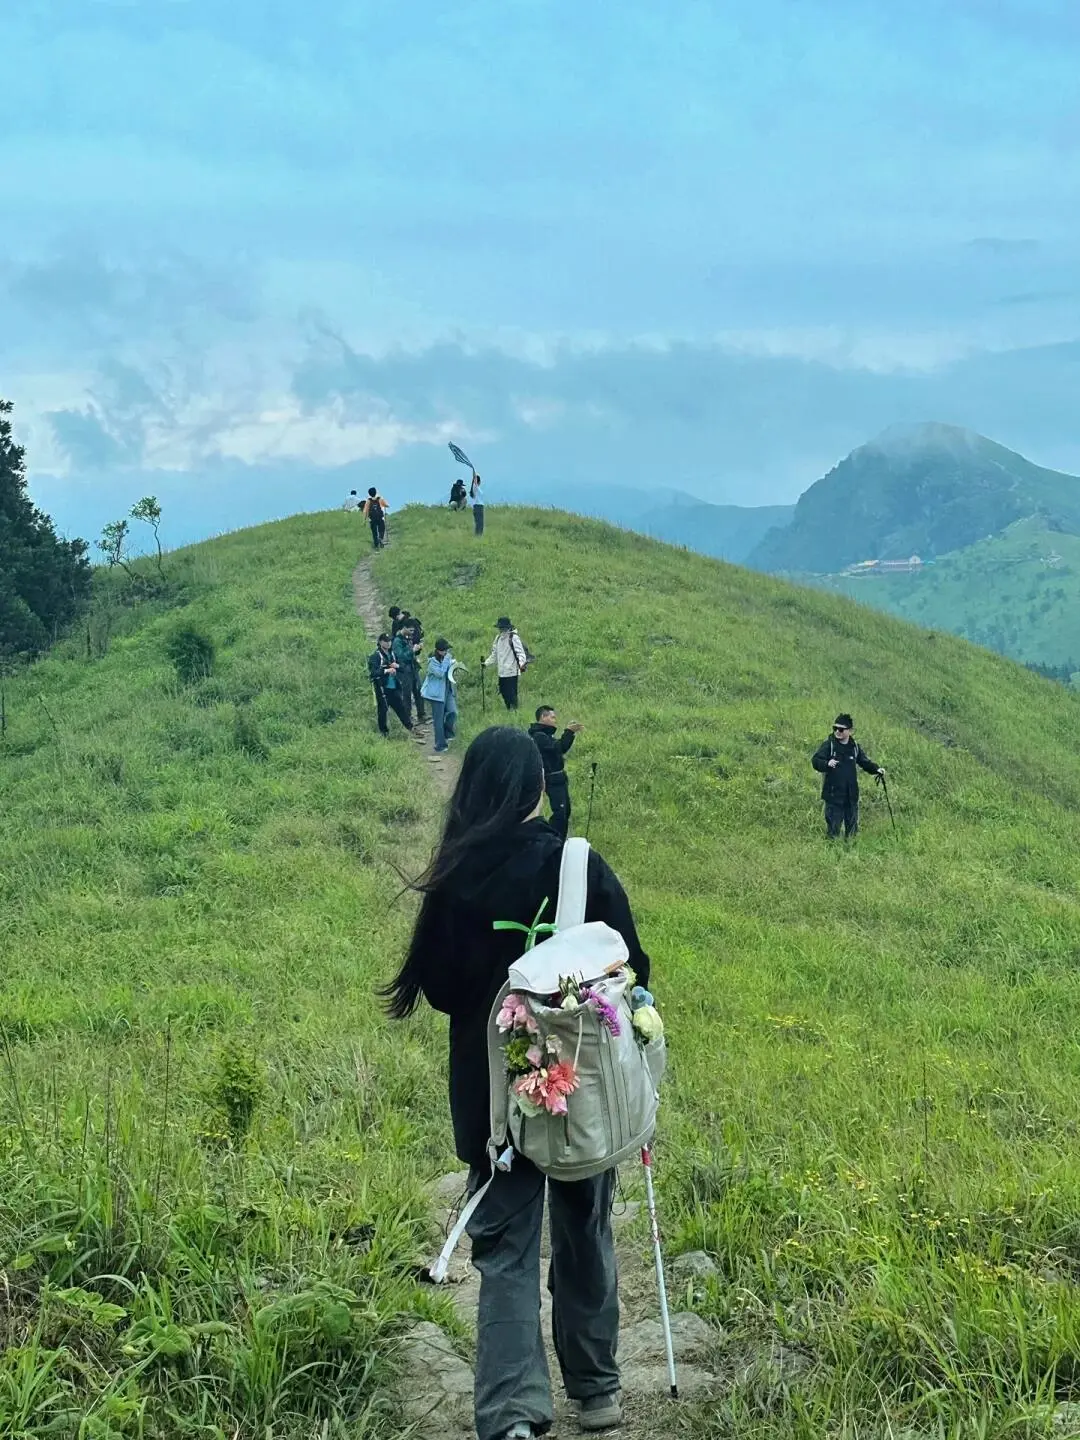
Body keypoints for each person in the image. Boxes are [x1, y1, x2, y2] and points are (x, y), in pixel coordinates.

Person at [382, 727, 651, 1439]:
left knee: (504, 1253)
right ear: (537, 788)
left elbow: (442, 990)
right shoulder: (578, 865)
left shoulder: (456, 875)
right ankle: (596, 1390)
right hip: (578, 1089)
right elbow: (633, 968)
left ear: (472, 788)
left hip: (492, 1100)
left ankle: (511, 1417)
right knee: (585, 1229)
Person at [811, 713, 885, 840]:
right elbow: (815, 760)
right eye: (835, 728)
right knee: (833, 832)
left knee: (852, 833)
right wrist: (826, 763)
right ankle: (832, 849)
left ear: (850, 731)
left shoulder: (854, 747)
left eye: (841, 729)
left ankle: (850, 849)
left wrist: (876, 769)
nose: (837, 732)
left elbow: (864, 762)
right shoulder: (829, 745)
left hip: (851, 796)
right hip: (833, 796)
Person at [528, 706, 583, 840]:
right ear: (543, 717)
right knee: (560, 814)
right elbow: (558, 747)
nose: (555, 720)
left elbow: (560, 748)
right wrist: (569, 732)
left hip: (559, 778)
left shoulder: (546, 735)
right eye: (552, 717)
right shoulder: (539, 736)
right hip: (552, 780)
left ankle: (560, 840)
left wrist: (570, 733)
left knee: (565, 812)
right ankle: (554, 840)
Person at [367, 634, 413, 737]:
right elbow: (373, 673)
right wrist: (386, 670)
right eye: (385, 641)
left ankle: (410, 728)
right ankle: (384, 733)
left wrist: (397, 666)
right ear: (380, 642)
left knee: (400, 708)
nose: (388, 643)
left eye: (389, 641)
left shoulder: (393, 654)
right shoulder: (376, 656)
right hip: (382, 688)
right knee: (383, 710)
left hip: (394, 687)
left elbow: (403, 668)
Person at [421, 638, 458, 757]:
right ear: (438, 650)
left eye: (447, 650)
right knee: (438, 720)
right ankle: (440, 744)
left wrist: (454, 666)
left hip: (448, 690)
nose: (447, 652)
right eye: (444, 650)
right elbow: (440, 673)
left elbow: (448, 671)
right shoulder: (432, 662)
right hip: (436, 694)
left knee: (453, 712)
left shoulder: (446, 658)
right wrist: (447, 660)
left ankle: (448, 733)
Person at [483, 617, 528, 711]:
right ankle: (509, 710)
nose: (501, 629)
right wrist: (486, 663)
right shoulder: (498, 638)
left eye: (503, 627)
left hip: (512, 671)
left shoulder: (514, 637)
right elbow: (494, 655)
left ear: (508, 627)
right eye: (500, 627)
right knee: (503, 692)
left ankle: (514, 711)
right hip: (502, 672)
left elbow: (520, 653)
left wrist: (521, 664)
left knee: (511, 694)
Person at [392, 627, 427, 733]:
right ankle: (407, 718)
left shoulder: (407, 638)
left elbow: (413, 655)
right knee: (406, 694)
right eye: (410, 630)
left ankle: (421, 714)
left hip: (413, 669)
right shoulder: (397, 641)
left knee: (419, 691)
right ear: (404, 628)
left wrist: (418, 649)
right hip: (404, 671)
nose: (412, 633)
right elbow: (401, 656)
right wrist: (412, 650)